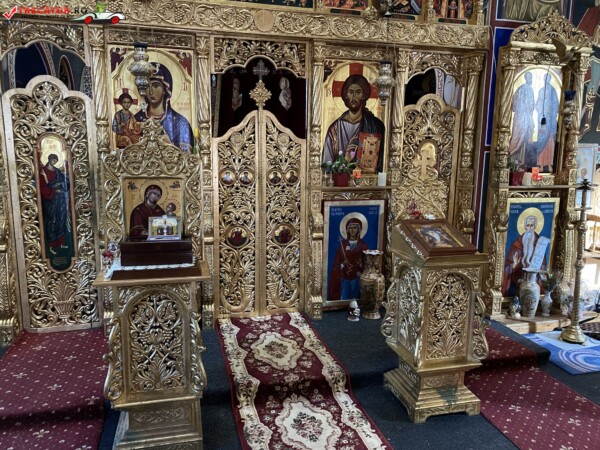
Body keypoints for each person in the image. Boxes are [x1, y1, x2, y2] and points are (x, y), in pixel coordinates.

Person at [322, 74, 385, 174]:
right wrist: (345, 161)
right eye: (351, 92)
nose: (354, 97)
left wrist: (372, 170)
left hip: (367, 182)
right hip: (339, 182)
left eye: (358, 92)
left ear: (363, 95)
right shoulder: (334, 129)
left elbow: (383, 164)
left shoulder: (376, 125)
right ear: (346, 95)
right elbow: (326, 167)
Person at [134, 64, 194, 152]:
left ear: (165, 89)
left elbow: (187, 156)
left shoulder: (181, 123)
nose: (151, 91)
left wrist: (169, 145)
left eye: (155, 86)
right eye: (147, 86)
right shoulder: (135, 120)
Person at [503, 214, 544, 297]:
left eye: (532, 226)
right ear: (525, 227)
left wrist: (538, 271)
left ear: (535, 227)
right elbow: (506, 267)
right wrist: (513, 266)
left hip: (533, 285)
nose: (530, 228)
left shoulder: (540, 244)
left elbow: (543, 266)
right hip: (516, 284)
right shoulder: (516, 244)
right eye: (528, 225)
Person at [328, 218, 369, 301]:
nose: (352, 230)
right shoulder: (343, 246)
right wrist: (343, 264)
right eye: (350, 228)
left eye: (354, 228)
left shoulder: (362, 246)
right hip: (344, 279)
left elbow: (366, 262)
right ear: (347, 230)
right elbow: (336, 265)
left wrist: (359, 271)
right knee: (344, 298)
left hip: (356, 279)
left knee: (355, 298)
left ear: (359, 230)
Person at [39, 154, 71, 255]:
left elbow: (64, 182)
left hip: (60, 199)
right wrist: (54, 190)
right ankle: (51, 246)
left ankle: (60, 242)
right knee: (52, 220)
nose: (54, 162)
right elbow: (42, 187)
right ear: (49, 159)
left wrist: (63, 184)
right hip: (50, 200)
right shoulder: (43, 171)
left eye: (56, 161)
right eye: (53, 160)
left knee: (61, 219)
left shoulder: (57, 171)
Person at [508, 72, 535, 165]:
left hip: (526, 116)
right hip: (520, 116)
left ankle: (520, 161)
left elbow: (532, 104)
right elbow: (515, 103)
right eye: (528, 77)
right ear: (526, 78)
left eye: (531, 77)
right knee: (516, 136)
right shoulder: (521, 88)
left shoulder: (531, 89)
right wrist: (524, 106)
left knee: (524, 139)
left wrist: (530, 107)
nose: (530, 78)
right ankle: (510, 159)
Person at [535, 72, 559, 170]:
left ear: (550, 80)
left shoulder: (553, 90)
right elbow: (537, 104)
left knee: (550, 142)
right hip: (542, 120)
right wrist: (542, 110)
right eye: (545, 78)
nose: (547, 80)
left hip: (551, 119)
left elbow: (556, 104)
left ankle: (549, 164)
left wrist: (551, 110)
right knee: (542, 140)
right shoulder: (541, 90)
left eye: (548, 78)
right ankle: (540, 164)